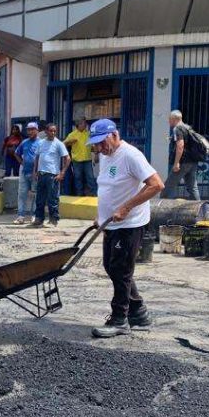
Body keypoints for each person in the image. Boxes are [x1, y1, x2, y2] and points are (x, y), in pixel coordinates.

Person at [87, 119, 165, 338]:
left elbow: (157, 185)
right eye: (96, 144)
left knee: (120, 270)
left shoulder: (131, 155)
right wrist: (100, 216)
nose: (100, 148)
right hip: (111, 222)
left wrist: (126, 207)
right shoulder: (105, 155)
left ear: (114, 134)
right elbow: (109, 187)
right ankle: (138, 313)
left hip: (130, 223)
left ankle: (119, 319)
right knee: (111, 267)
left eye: (102, 142)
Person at [30, 123, 70, 228]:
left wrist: (62, 173)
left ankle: (54, 219)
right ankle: (39, 219)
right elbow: (37, 157)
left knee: (53, 199)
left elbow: (68, 159)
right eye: (51, 131)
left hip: (52, 176)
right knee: (40, 199)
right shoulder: (41, 143)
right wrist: (35, 171)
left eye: (54, 131)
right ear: (46, 132)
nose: (53, 133)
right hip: (41, 174)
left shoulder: (59, 144)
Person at [161, 110, 201, 200]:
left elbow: (180, 146)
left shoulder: (177, 129)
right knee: (193, 188)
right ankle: (201, 210)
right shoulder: (187, 128)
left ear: (174, 119)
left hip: (183, 162)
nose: (169, 121)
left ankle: (161, 210)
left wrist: (176, 163)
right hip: (192, 162)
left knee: (167, 188)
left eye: (169, 119)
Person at [13, 122, 40, 224]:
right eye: (28, 129)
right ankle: (21, 216)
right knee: (22, 194)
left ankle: (34, 216)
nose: (30, 131)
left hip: (36, 173)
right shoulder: (24, 142)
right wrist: (22, 163)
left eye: (32, 129)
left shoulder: (41, 143)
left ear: (37, 130)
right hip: (24, 172)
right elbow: (16, 153)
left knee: (35, 195)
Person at [64, 118, 96, 196]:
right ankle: (79, 195)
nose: (85, 125)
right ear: (78, 125)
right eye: (83, 123)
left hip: (87, 160)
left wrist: (96, 154)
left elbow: (93, 146)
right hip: (76, 160)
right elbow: (63, 144)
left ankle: (93, 195)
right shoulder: (72, 134)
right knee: (78, 178)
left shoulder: (88, 134)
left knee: (90, 178)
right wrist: (69, 142)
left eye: (85, 123)